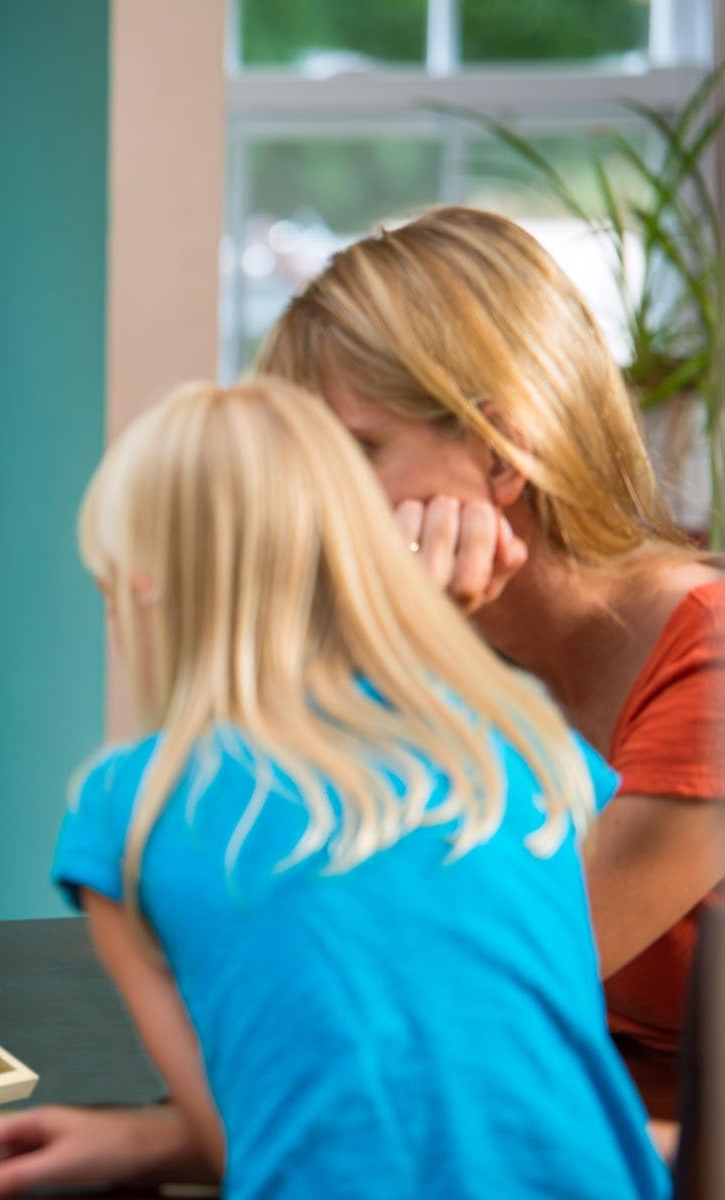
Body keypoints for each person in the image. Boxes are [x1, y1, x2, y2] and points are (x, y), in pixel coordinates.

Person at [0, 380, 667, 1198]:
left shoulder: (126, 812)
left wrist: (136, 1141)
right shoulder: (528, 746)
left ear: (141, 587)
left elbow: (237, 1133)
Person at [255, 206, 724, 1055]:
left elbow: (469, 987)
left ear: (503, 453)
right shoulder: (471, 646)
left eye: (354, 452)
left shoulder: (712, 670)